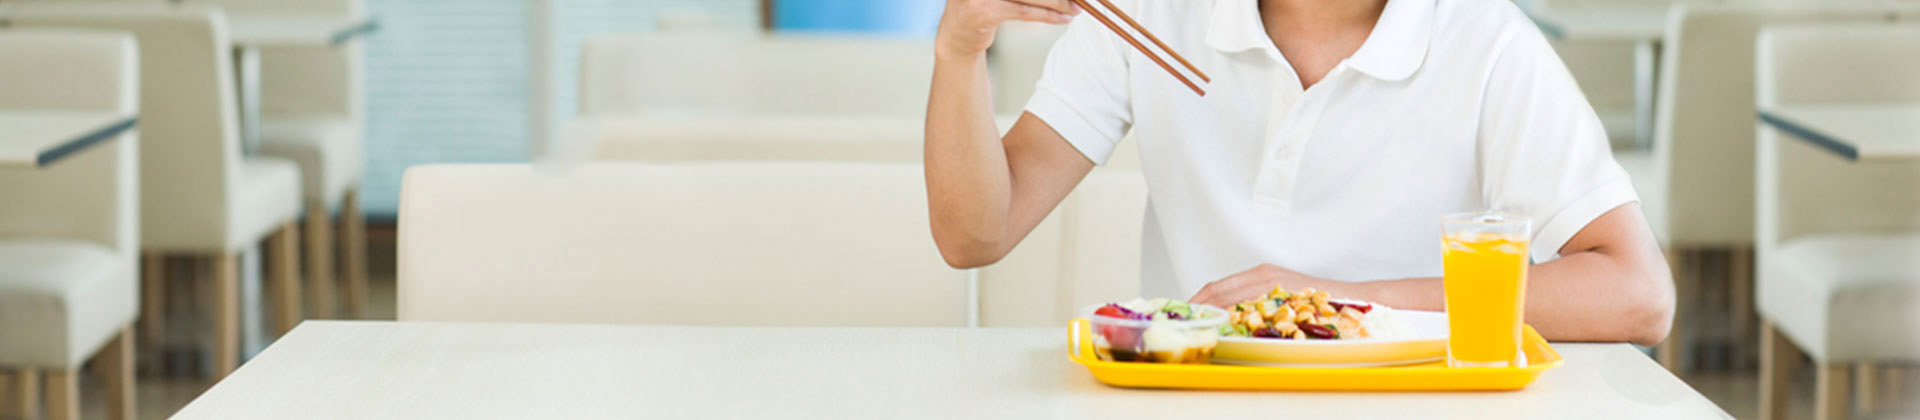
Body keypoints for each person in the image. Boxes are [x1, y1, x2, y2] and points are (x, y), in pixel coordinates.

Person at [924, 0, 1673, 345]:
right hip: (1202, 392)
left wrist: (1340, 303)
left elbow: (1639, 295)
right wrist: (960, 48)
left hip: (1413, 401)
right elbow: (975, 235)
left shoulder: (1487, 39)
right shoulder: (1146, 15)